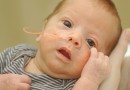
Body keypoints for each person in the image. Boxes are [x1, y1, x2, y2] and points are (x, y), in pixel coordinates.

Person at [0, 0, 128, 89]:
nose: (75, 38)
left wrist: (90, 80)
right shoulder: (17, 53)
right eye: (67, 24)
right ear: (43, 30)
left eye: (90, 42)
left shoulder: (73, 85)